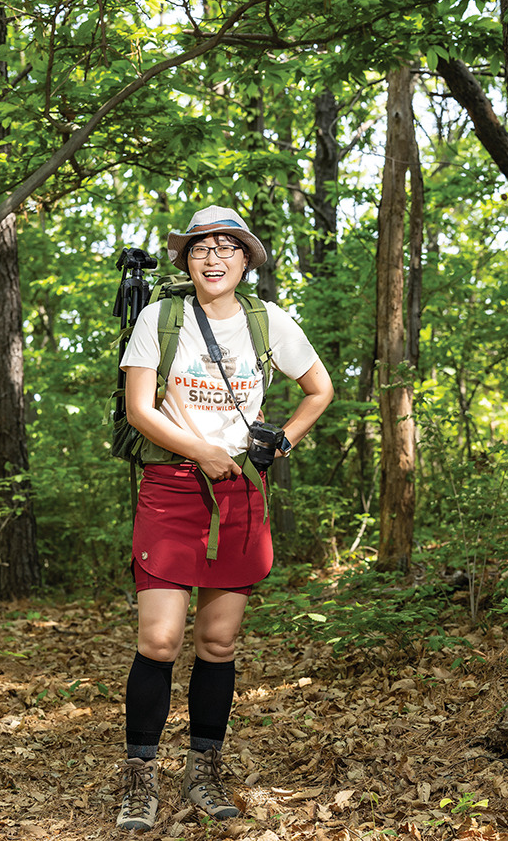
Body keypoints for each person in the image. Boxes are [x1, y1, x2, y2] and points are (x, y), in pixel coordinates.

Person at [116, 205, 334, 831]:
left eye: (226, 248)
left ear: (245, 260)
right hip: (172, 485)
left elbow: (318, 389)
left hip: (240, 490)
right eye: (200, 248)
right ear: (186, 259)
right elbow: (139, 407)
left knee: (219, 641)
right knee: (159, 638)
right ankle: (139, 778)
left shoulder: (270, 323)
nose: (212, 258)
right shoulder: (162, 318)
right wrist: (201, 451)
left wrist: (282, 440)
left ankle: (204, 767)